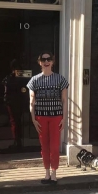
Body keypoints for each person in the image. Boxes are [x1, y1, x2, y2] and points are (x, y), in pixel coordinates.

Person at [27, 51, 69, 184]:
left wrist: (64, 117)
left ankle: (54, 172)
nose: (46, 61)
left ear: (52, 61)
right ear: (39, 62)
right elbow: (31, 101)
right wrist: (33, 118)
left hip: (56, 116)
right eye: (43, 59)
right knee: (44, 146)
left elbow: (64, 100)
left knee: (55, 146)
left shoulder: (60, 79)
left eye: (48, 59)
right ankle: (46, 173)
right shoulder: (34, 80)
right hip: (41, 117)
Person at [2, 59, 24, 150]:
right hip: (18, 101)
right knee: (17, 121)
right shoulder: (21, 76)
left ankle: (17, 141)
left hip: (12, 102)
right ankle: (18, 141)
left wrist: (6, 101)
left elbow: (6, 91)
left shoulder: (10, 78)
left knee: (14, 122)